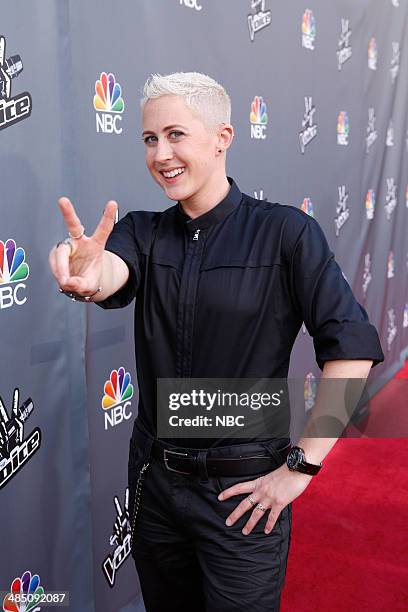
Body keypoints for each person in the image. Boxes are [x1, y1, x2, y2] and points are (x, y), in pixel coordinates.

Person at [48, 72, 384, 611]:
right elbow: (112, 273)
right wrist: (89, 276)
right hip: (154, 488)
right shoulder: (142, 232)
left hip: (242, 495)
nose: (161, 153)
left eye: (176, 134)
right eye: (150, 139)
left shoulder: (286, 233)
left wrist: (303, 466)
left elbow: (352, 348)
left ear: (222, 136)